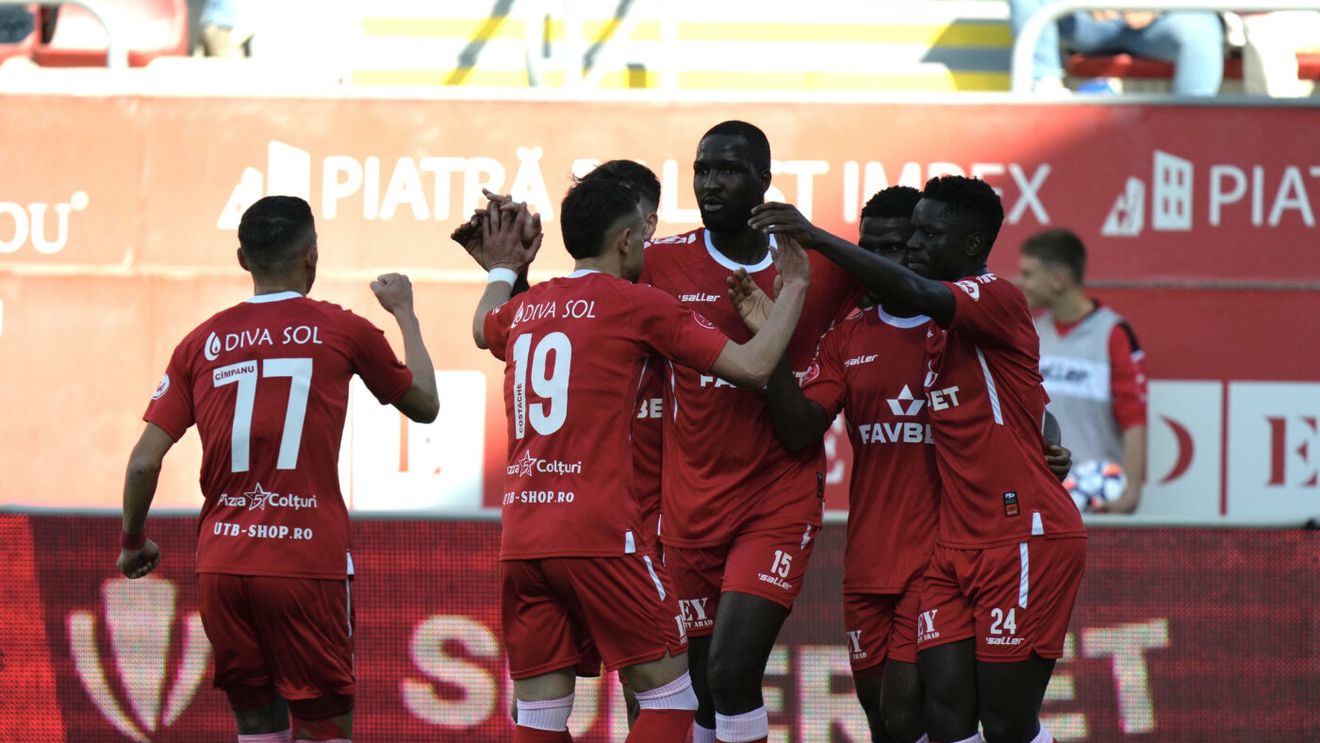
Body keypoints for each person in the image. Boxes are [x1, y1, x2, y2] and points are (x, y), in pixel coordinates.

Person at [471, 178, 813, 743]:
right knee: (672, 698)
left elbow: (483, 325)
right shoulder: (637, 305)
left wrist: (504, 268)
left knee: (539, 712)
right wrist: (796, 286)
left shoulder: (525, 308)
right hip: (600, 534)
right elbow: (753, 367)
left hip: (523, 537)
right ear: (627, 241)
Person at [749, 176, 1086, 743]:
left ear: (969, 245)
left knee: (992, 723)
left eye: (919, 238)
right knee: (931, 721)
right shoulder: (877, 336)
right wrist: (771, 345)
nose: (910, 250)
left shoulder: (984, 300)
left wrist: (816, 239)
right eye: (889, 242)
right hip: (935, 554)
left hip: (1012, 535)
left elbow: (1019, 396)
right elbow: (1017, 399)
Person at [115, 195, 440, 743]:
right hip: (304, 562)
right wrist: (405, 312)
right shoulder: (343, 330)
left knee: (257, 727)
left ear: (243, 259)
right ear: (312, 257)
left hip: (223, 565)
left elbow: (145, 460)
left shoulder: (201, 342)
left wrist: (132, 541)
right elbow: (425, 403)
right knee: (324, 728)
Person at [642, 120, 861, 743]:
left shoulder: (817, 266)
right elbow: (587, 311)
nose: (711, 183)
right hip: (690, 506)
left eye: (729, 170)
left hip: (776, 499)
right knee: (702, 688)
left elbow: (913, 298)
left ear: (764, 181)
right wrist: (511, 278)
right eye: (703, 169)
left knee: (734, 671)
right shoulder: (659, 264)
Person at [1018, 229, 1147, 514]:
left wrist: (1132, 492)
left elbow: (1134, 418)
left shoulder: (1112, 333)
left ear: (1058, 280)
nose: (1021, 283)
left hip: (1095, 502)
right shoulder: (1031, 333)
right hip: (1040, 501)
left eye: (1028, 274)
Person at [1008, 1, 1224, 96]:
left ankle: (1191, 117)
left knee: (1202, 26)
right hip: (1086, 23)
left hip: (1159, 26)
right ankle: (1044, 87)